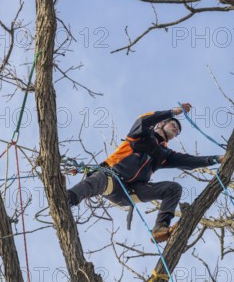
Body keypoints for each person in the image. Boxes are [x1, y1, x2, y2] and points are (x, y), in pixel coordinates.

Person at [67, 103, 224, 242]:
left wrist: (215, 159)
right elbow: (143, 120)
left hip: (131, 192)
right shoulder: (141, 135)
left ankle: (160, 229)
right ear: (161, 124)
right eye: (173, 125)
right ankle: (68, 198)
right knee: (99, 178)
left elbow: (189, 161)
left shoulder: (164, 154)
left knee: (173, 188)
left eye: (178, 131)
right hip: (112, 179)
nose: (176, 129)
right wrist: (172, 112)